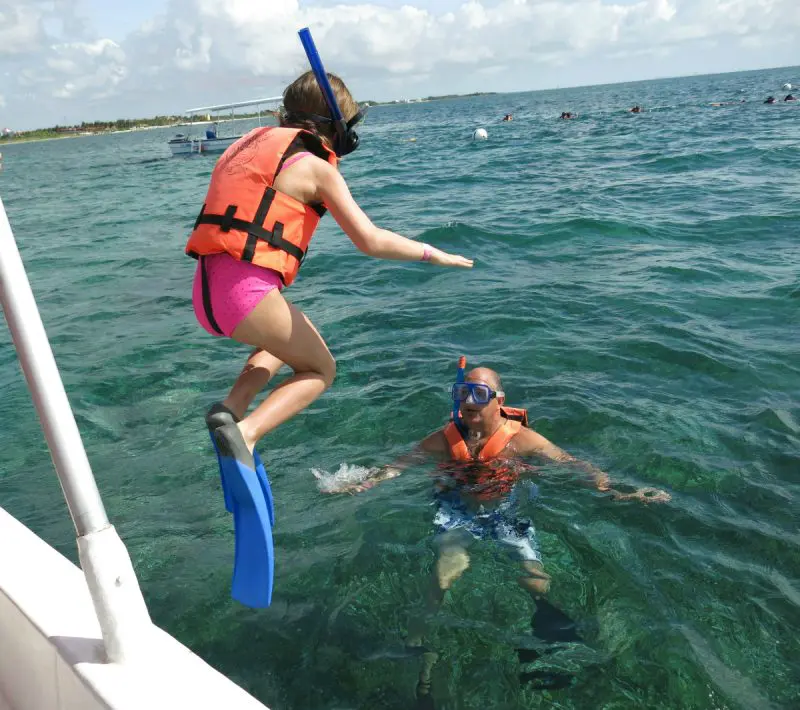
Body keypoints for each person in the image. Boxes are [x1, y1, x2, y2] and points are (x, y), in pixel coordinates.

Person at [187, 69, 474, 467]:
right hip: (244, 297)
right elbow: (370, 240)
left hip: (205, 295)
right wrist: (432, 253)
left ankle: (230, 410)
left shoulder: (244, 146)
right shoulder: (317, 167)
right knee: (321, 369)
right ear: (336, 125)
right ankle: (246, 436)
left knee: (281, 346)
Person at [339, 360, 670, 691]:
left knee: (536, 581)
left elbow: (571, 465)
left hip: (507, 508)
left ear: (499, 400)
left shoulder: (523, 441)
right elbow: (398, 466)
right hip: (458, 509)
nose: (469, 401)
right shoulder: (443, 440)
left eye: (479, 393)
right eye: (462, 392)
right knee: (443, 574)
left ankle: (544, 643)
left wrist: (617, 493)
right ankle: (419, 651)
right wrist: (365, 482)